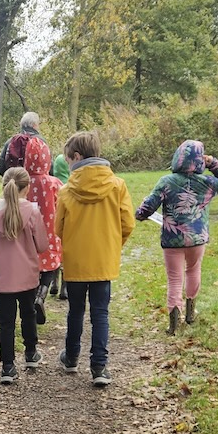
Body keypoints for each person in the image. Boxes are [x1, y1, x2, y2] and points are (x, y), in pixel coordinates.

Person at [53, 131, 136, 388]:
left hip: (77, 261)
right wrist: (112, 245)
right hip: (103, 261)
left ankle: (71, 357)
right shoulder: (118, 186)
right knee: (101, 313)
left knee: (75, 311)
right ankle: (99, 366)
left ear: (76, 157)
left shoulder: (66, 191)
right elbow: (128, 224)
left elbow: (58, 228)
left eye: (68, 159)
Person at [134, 139, 218, 335]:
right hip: (197, 239)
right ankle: (190, 313)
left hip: (172, 239)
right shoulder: (206, 183)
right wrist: (213, 163)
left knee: (174, 278)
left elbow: (147, 206)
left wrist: (141, 215)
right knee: (193, 270)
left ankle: (173, 324)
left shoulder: (166, 182)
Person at [0, 167, 49, 384]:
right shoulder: (32, 212)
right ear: (27, 188)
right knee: (28, 315)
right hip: (27, 275)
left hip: (2, 278)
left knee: (6, 323)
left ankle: (8, 367)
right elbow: (43, 245)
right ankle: (30, 354)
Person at [23, 136, 64, 320]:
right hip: (50, 231)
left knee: (30, 266)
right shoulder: (55, 183)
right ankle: (41, 296)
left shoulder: (22, 183)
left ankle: (31, 298)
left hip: (27, 233)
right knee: (50, 265)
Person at [0, 111, 45, 177]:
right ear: (34, 125)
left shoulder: (10, 142)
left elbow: (1, 168)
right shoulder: (40, 142)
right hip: (35, 184)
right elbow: (49, 166)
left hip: (13, 183)